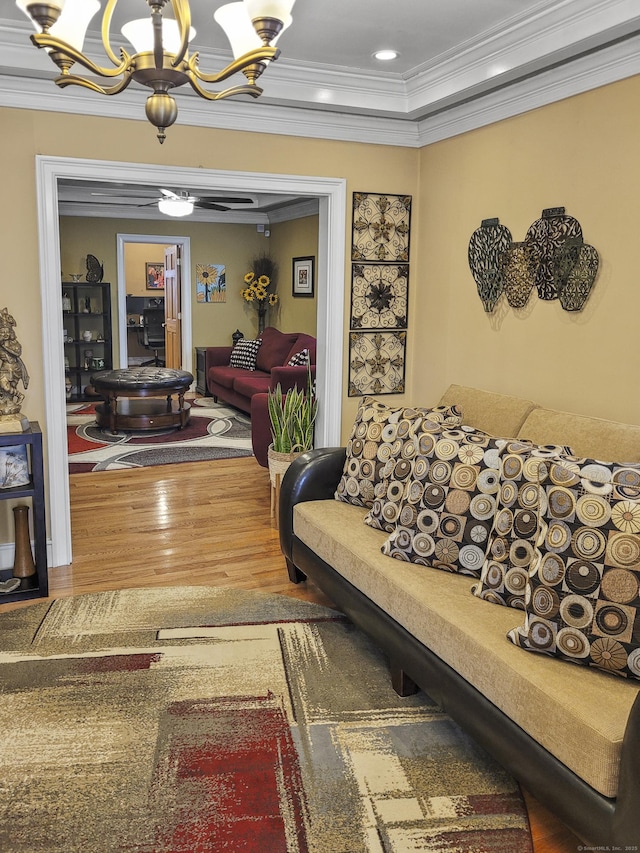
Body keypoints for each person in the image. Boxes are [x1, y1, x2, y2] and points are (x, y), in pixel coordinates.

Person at [0, 307, 29, 416]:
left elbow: (17, 353)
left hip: (15, 368)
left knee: (11, 387)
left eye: (7, 332)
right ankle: (20, 395)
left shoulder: (14, 344)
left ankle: (12, 402)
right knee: (4, 386)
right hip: (4, 368)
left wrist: (5, 347)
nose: (5, 334)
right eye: (2, 332)